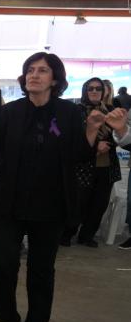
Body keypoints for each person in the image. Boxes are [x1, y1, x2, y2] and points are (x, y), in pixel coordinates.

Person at [0, 52, 128, 322]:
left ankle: (37, 321)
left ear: (55, 79)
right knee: (3, 264)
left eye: (42, 70)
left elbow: (79, 155)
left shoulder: (68, 113)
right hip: (9, 201)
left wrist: (92, 129)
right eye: (30, 70)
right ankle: (7, 316)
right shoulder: (10, 112)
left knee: (41, 267)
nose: (34, 75)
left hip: (51, 202)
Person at [60, 77, 121, 248]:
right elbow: (71, 136)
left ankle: (87, 235)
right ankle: (67, 233)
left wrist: (109, 144)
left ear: (104, 91)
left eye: (98, 88)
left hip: (106, 165)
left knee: (99, 204)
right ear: (85, 91)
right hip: (83, 166)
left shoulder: (110, 111)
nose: (94, 91)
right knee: (78, 202)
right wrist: (95, 147)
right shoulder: (76, 111)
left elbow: (120, 136)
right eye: (91, 88)